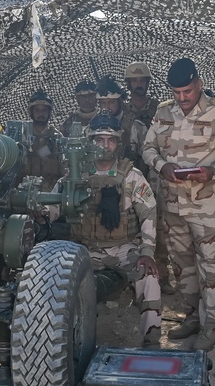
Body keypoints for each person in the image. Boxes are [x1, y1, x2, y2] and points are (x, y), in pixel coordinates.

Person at [142, 58, 215, 351]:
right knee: (182, 265)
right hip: (173, 203)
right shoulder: (163, 112)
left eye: (187, 91)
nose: (182, 98)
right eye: (177, 93)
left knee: (211, 266)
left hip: (208, 205)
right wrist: (161, 166)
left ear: (199, 84)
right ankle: (191, 316)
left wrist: (213, 170)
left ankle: (211, 325)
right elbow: (148, 147)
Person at [47, 113, 162, 347]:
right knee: (58, 283)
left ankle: (152, 341)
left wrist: (147, 251)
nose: (105, 146)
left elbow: (148, 212)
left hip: (123, 249)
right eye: (99, 140)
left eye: (110, 140)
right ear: (90, 141)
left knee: (149, 278)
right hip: (84, 249)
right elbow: (54, 205)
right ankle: (64, 343)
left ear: (118, 143)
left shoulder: (131, 176)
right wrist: (43, 212)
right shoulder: (77, 175)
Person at [122, 61, 175, 295]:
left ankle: (162, 275)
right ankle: (133, 275)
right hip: (130, 176)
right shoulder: (122, 112)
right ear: (128, 84)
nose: (138, 84)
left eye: (142, 80)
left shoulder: (160, 109)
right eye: (134, 81)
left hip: (155, 175)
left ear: (147, 83)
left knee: (159, 224)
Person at [20, 90, 62, 191]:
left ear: (49, 113)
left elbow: (64, 170)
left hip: (49, 194)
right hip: (21, 192)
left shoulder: (56, 139)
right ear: (31, 112)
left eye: (44, 110)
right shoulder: (21, 136)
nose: (41, 114)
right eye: (37, 110)